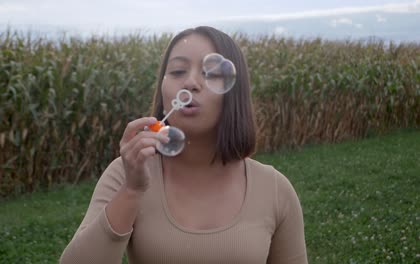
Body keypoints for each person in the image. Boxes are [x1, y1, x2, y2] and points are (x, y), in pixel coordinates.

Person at [60, 26, 307, 264]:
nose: (190, 83)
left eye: (211, 74)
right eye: (178, 71)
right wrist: (132, 190)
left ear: (234, 93)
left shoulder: (274, 189)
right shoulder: (126, 175)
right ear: (163, 89)